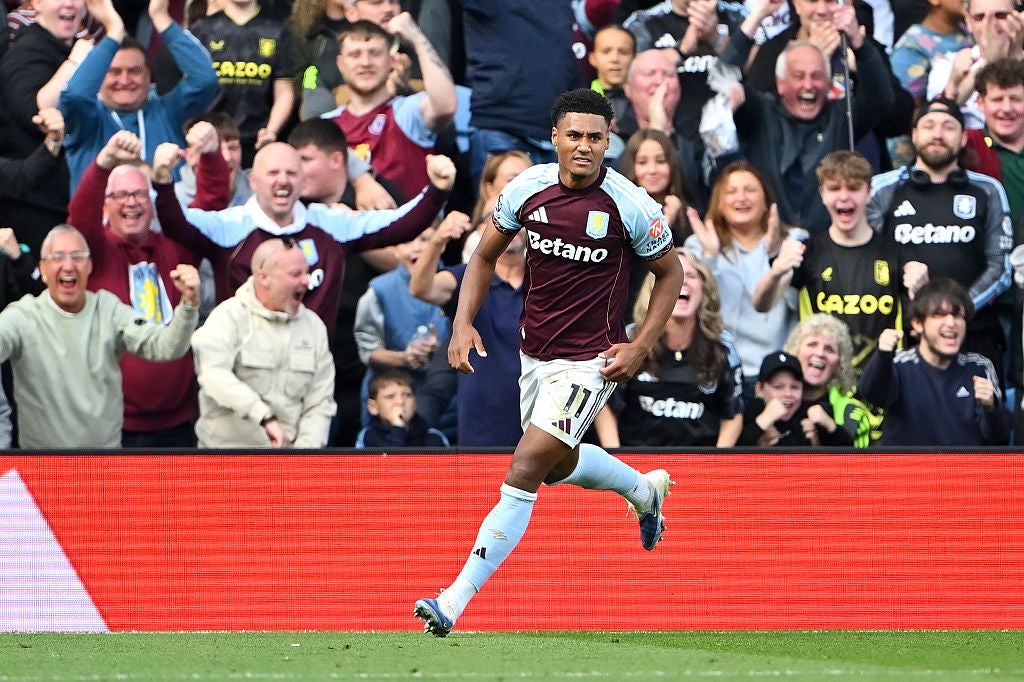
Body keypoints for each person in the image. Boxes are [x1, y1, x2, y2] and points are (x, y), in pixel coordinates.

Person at [413, 88, 683, 637]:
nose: (585, 147)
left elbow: (671, 273)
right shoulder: (526, 189)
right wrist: (463, 322)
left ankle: (452, 600)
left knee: (526, 467)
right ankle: (641, 490)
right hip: (535, 355)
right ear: (555, 137)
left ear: (610, 142)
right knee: (559, 466)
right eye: (575, 136)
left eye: (596, 138)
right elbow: (484, 255)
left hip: (593, 361)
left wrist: (639, 345)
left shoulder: (631, 204)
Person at [151, 140, 454, 338]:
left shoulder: (329, 224)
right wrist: (163, 182)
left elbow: (399, 225)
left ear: (303, 182)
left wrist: (437, 189)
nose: (282, 180)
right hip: (244, 373)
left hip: (310, 376)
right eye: (272, 173)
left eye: (291, 173)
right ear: (253, 181)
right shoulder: (229, 226)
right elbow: (176, 224)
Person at [0, 224, 199, 448]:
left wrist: (189, 305)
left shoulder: (108, 309)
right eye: (58, 257)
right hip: (41, 468)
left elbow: (166, 346)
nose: (68, 266)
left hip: (105, 466)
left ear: (89, 266)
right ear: (43, 270)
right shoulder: (23, 315)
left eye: (77, 257)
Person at [66, 130, 207, 447]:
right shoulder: (95, 253)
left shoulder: (175, 248)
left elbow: (210, 204)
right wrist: (103, 164)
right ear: (105, 206)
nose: (131, 202)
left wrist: (197, 162)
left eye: (140, 194)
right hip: (114, 426)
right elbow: (79, 218)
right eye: (120, 196)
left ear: (152, 202)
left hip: (179, 424)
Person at [719, 0, 896, 232]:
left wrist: (858, 43)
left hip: (828, 245)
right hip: (770, 240)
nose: (808, 85)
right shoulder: (761, 111)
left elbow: (882, 100)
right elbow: (721, 80)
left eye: (817, 76)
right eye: (798, 75)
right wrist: (758, 15)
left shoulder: (842, 116)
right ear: (780, 83)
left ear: (828, 80)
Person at [868, 97, 1013, 375]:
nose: (937, 134)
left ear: (962, 139)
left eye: (948, 127)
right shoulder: (881, 189)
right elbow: (865, 257)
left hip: (975, 333)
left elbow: (1001, 268)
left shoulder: (988, 190)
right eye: (929, 125)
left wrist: (954, 312)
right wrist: (921, 311)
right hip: (905, 333)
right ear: (914, 135)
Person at [753, 150, 903, 372]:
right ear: (822, 194)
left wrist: (919, 287)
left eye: (853, 188)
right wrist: (777, 271)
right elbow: (761, 304)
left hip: (881, 378)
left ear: (869, 192)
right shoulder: (808, 251)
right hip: (823, 381)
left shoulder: (894, 251)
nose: (844, 197)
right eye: (834, 188)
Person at [190, 237, 336, 448]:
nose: (306, 281)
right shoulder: (227, 317)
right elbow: (213, 376)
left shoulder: (314, 327)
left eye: (306, 273)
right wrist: (263, 416)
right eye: (296, 274)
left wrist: (303, 457)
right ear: (264, 277)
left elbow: (320, 403)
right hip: (226, 459)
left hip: (287, 463)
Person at [59, 0, 219, 190]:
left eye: (134, 71)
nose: (125, 80)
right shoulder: (86, 120)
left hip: (166, 217)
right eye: (115, 72)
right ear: (99, 76)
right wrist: (114, 32)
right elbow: (74, 95)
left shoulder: (167, 112)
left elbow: (205, 80)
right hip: (100, 218)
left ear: (148, 76)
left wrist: (161, 19)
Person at [594, 247, 744, 447]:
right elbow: (605, 404)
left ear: (705, 289)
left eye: (690, 275)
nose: (682, 282)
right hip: (635, 462)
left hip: (699, 464)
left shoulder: (722, 346)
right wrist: (616, 458)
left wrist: (715, 466)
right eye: (675, 276)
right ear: (654, 289)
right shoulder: (630, 339)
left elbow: (733, 413)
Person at [409, 211, 523, 448]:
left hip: (543, 412)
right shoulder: (466, 277)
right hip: (482, 419)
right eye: (498, 219)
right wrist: (438, 240)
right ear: (481, 232)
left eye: (517, 217)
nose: (511, 225)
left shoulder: (547, 279)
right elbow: (422, 288)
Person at [684, 160, 797, 398]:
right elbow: (697, 310)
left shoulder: (793, 240)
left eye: (750, 190)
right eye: (731, 191)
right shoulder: (699, 245)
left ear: (766, 199)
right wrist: (711, 259)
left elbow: (799, 304)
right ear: (719, 202)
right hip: (716, 370)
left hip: (774, 373)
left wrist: (775, 257)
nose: (741, 198)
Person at [857, 277, 1011, 445]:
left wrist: (992, 407)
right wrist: (882, 356)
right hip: (908, 469)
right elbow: (870, 395)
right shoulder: (898, 364)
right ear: (917, 323)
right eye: (939, 315)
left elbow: (999, 437)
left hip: (960, 469)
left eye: (958, 315)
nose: (951, 323)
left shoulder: (979, 367)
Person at [321, 17, 457, 202]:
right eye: (355, 55)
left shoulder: (406, 112)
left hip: (411, 228)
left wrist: (417, 39)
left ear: (391, 61)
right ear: (340, 64)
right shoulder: (326, 126)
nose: (365, 62)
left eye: (375, 53)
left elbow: (446, 106)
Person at [0, 0, 87, 254]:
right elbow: (37, 113)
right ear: (36, 3)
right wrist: (75, 62)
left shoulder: (70, 47)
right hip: (32, 208)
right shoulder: (25, 52)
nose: (69, 4)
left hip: (66, 201)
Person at [353, 225, 449, 427]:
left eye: (425, 240)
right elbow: (367, 351)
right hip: (389, 408)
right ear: (394, 249)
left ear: (441, 245)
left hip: (448, 406)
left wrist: (441, 353)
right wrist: (405, 357)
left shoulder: (457, 284)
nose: (416, 248)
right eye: (407, 240)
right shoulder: (378, 291)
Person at [189, 0, 296, 169]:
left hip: (256, 141)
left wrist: (271, 130)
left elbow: (284, 91)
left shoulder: (277, 30)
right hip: (210, 138)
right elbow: (190, 89)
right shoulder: (202, 30)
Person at [927, 0, 1024, 130]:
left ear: (1018, 18)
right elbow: (938, 120)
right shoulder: (948, 66)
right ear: (968, 22)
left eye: (1000, 15)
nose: (991, 24)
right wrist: (986, 64)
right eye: (979, 17)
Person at [783, 313, 875, 447]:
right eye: (812, 344)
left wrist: (831, 428)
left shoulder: (852, 414)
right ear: (795, 351)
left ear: (840, 364)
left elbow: (859, 465)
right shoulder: (772, 400)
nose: (820, 353)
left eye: (829, 349)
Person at [737, 349, 850, 445]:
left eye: (795, 387)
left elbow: (849, 455)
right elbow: (730, 450)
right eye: (778, 387)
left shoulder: (808, 413)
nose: (788, 394)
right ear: (759, 389)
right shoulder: (748, 413)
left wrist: (830, 427)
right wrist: (762, 423)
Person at [461, 150, 533, 263]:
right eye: (512, 180)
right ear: (489, 188)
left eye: (527, 180)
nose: (521, 187)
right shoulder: (477, 239)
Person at [355, 366, 448, 447]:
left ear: (415, 403)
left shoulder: (434, 437)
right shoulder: (368, 436)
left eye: (407, 395)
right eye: (390, 396)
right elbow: (389, 465)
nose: (400, 401)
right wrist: (398, 429)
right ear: (373, 407)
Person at [587, 23, 636, 126]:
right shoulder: (578, 102)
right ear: (592, 58)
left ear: (635, 58)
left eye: (623, 52)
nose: (615, 59)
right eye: (606, 51)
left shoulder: (648, 100)